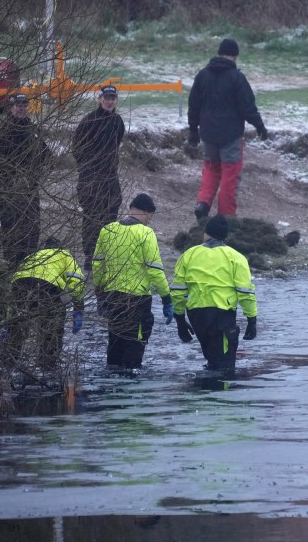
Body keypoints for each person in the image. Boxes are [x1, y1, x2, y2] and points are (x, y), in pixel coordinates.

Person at [187, 38, 269, 219]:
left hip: (208, 134)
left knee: (211, 169)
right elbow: (248, 107)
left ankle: (203, 203)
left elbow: (193, 105)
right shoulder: (237, 78)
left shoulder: (202, 75)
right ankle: (226, 216)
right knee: (229, 177)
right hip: (231, 136)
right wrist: (260, 126)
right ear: (235, 56)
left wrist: (193, 130)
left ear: (219, 53)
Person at [91, 193, 173, 369]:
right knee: (135, 343)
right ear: (145, 212)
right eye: (150, 216)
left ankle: (112, 380)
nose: (150, 221)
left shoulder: (108, 230)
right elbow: (155, 270)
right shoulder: (145, 233)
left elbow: (97, 265)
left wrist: (100, 294)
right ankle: (130, 383)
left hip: (112, 296)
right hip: (137, 299)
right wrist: (166, 298)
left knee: (115, 341)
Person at [170, 215, 258, 373]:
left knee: (211, 360)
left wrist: (180, 319)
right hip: (222, 315)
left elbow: (178, 291)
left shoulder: (189, 254)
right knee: (224, 367)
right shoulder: (236, 257)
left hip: (196, 315)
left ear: (206, 233)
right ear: (225, 236)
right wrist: (251, 320)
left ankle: (205, 394)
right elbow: (246, 293)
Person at [6, 237, 85, 376]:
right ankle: (47, 363)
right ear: (59, 247)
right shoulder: (64, 255)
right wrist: (78, 306)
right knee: (53, 323)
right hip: (45, 287)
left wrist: (9, 320)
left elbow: (12, 298)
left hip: (19, 285)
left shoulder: (33, 256)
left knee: (17, 325)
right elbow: (76, 280)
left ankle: (9, 360)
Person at [72, 84, 126, 267]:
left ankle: (107, 252)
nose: (109, 102)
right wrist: (90, 169)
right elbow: (77, 149)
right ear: (100, 99)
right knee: (92, 215)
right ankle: (90, 255)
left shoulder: (118, 121)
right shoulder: (89, 121)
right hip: (90, 178)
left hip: (110, 176)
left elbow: (116, 144)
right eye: (107, 98)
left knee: (111, 211)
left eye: (112, 98)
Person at [0, 93, 51, 265]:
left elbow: (46, 155)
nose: (21, 108)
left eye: (24, 105)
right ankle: (11, 262)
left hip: (30, 188)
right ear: (10, 107)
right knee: (10, 226)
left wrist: (43, 167)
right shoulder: (2, 130)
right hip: (9, 188)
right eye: (18, 105)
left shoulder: (34, 129)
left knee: (32, 227)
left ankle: (29, 262)